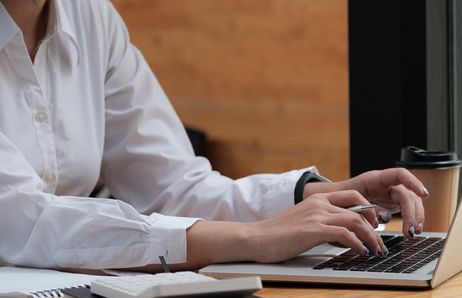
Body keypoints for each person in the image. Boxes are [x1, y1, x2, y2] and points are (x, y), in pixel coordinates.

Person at [0, 0, 426, 271]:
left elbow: (172, 186)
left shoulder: (92, 16)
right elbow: (25, 221)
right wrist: (257, 237)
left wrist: (311, 196)